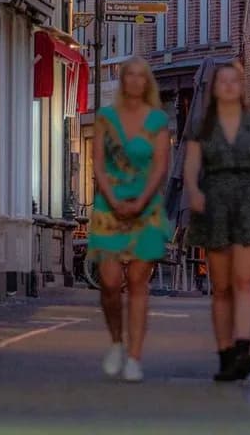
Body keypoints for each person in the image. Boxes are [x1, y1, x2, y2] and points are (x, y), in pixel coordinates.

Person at [183, 61, 250, 381]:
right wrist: (194, 192)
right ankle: (224, 352)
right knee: (221, 287)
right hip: (215, 203)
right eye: (223, 81)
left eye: (234, 81)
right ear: (214, 89)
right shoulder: (202, 127)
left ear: (241, 88)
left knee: (244, 282)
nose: (228, 86)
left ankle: (243, 349)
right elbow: (191, 165)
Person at [88, 56, 171, 382]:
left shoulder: (157, 121)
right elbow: (97, 164)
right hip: (110, 208)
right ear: (122, 80)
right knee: (109, 283)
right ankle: (116, 342)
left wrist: (141, 202)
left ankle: (135, 356)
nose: (135, 80)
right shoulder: (105, 119)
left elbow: (160, 166)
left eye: (141, 75)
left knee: (138, 283)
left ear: (147, 82)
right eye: (130, 75)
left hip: (145, 209)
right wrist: (112, 199)